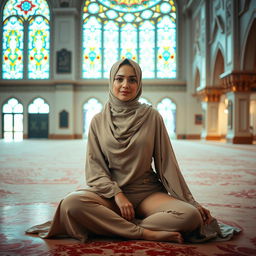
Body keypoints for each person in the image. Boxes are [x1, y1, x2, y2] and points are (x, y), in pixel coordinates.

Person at [26, 59, 239, 243]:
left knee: (190, 217)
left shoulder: (152, 117)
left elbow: (167, 164)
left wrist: (191, 201)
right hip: (110, 196)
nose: (125, 85)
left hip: (147, 193)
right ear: (111, 81)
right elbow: (95, 169)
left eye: (132, 79)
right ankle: (146, 232)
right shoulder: (98, 121)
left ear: (139, 84)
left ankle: (112, 225)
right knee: (71, 205)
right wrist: (117, 194)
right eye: (119, 79)